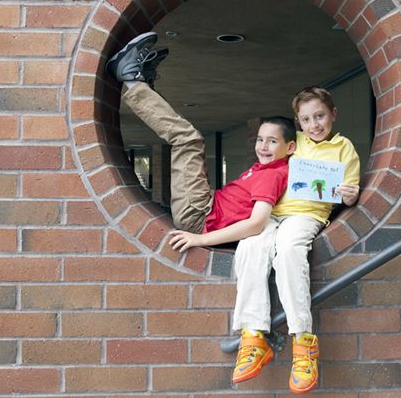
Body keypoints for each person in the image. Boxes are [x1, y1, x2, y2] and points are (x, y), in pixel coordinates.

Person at [106, 31, 296, 250]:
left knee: (188, 139)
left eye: (272, 141)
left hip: (200, 216)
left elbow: (256, 224)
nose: (263, 146)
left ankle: (132, 79)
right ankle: (143, 86)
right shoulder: (267, 169)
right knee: (187, 137)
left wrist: (200, 239)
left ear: (290, 147)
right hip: (206, 205)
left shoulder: (273, 174)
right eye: (260, 139)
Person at [231, 86, 361, 394]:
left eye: (319, 116)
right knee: (249, 247)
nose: (314, 125)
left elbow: (352, 192)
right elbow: (267, 158)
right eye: (306, 119)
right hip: (274, 212)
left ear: (333, 115)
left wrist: (350, 195)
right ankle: (253, 336)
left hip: (308, 215)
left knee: (288, 251)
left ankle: (303, 342)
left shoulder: (345, 149)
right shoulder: (295, 143)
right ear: (298, 123)